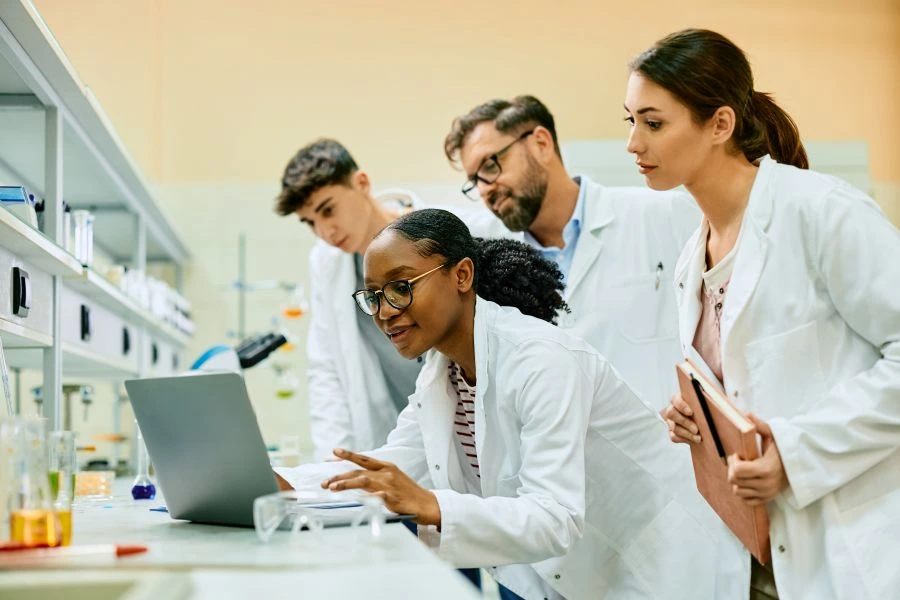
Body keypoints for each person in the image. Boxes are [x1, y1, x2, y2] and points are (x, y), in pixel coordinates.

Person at [277, 208, 744, 600]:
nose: (385, 311)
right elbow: (388, 466)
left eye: (401, 287)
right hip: (566, 578)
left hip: (661, 572)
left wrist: (430, 504)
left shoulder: (541, 360)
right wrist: (283, 483)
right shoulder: (442, 375)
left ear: (462, 274)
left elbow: (553, 516)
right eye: (374, 297)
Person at [628, 28, 900, 600]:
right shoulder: (692, 254)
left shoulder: (822, 212)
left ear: (720, 125)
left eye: (653, 123)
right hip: (759, 556)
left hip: (856, 547)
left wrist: (797, 455)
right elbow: (755, 389)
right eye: (629, 120)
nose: (633, 143)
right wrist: (701, 418)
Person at [442, 96, 701, 411]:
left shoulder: (666, 215)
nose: (485, 189)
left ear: (541, 143)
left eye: (490, 166)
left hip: (671, 448)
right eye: (474, 181)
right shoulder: (493, 267)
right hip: (564, 455)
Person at [275, 138, 425, 461]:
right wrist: (332, 463)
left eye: (328, 210)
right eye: (310, 222)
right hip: (395, 438)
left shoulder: (433, 238)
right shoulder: (327, 263)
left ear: (362, 183)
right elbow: (325, 365)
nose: (324, 230)